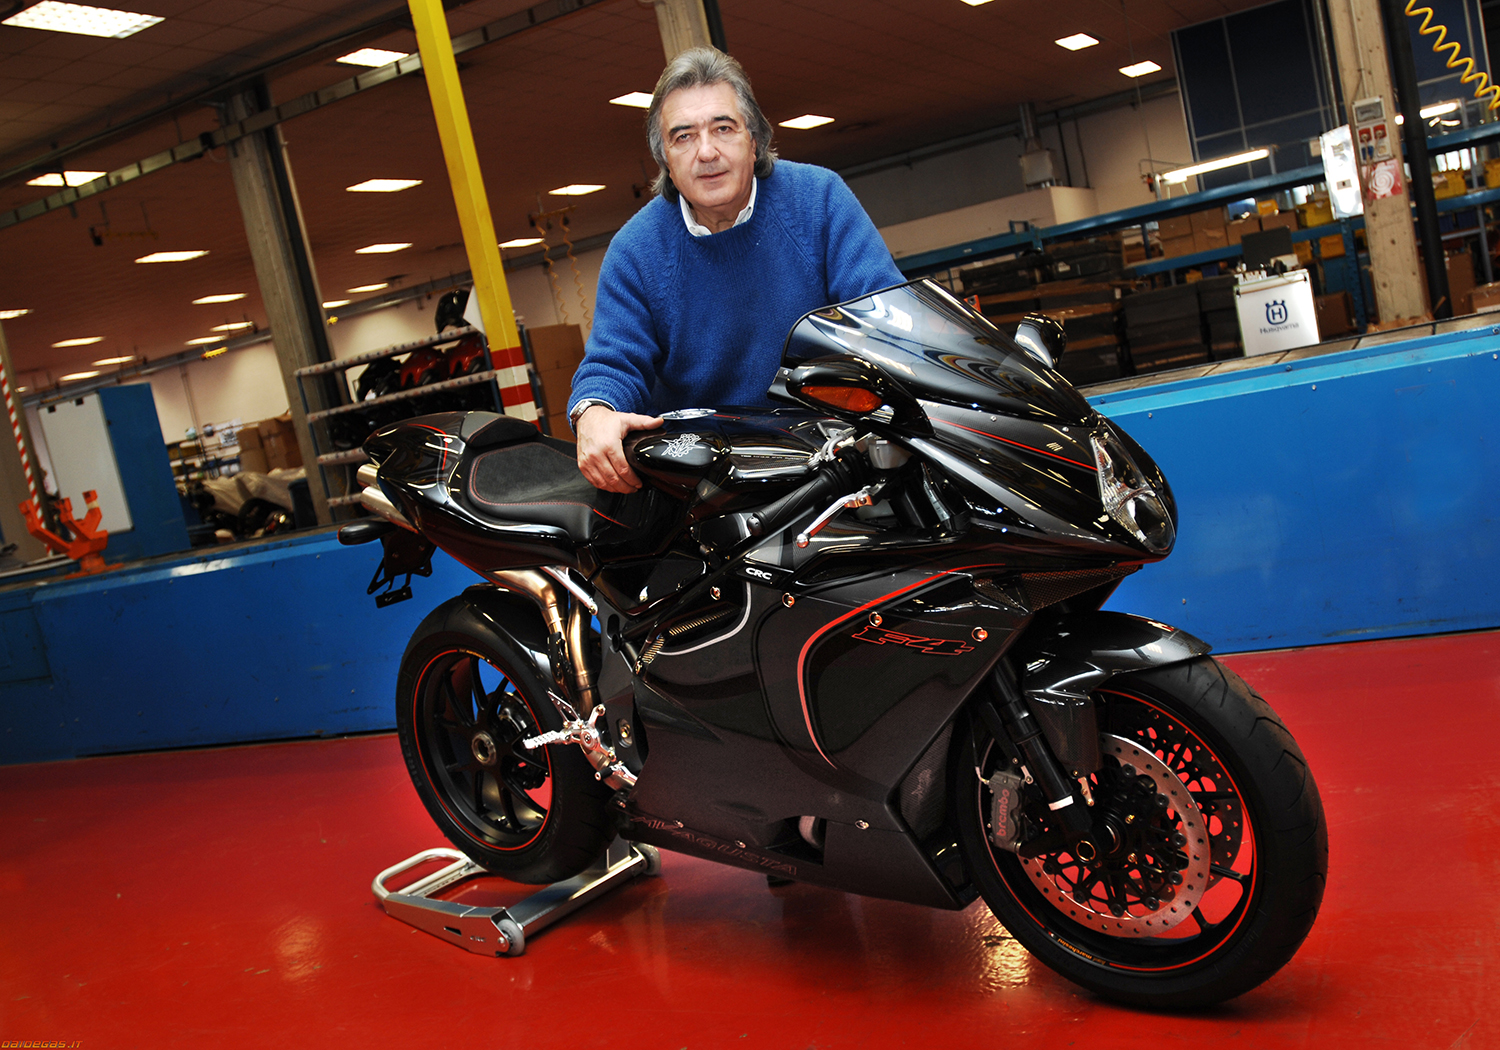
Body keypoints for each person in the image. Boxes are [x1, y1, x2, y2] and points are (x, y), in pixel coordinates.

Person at [568, 47, 904, 493]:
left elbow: (887, 318)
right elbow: (612, 362)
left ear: (755, 139)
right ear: (665, 158)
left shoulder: (818, 200)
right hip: (704, 481)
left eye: (723, 128)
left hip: (832, 461)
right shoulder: (635, 250)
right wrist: (592, 412)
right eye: (683, 137)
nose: (706, 152)